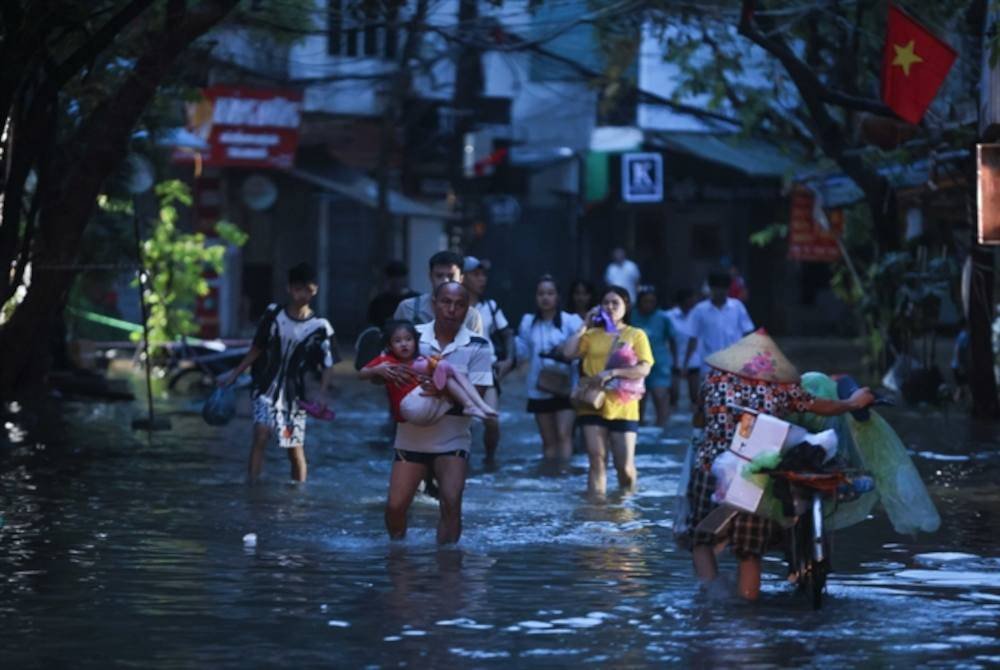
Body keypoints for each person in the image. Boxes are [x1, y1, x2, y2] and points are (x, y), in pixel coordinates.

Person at [681, 330, 873, 601]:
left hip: (710, 470)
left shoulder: (713, 379)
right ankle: (748, 615)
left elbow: (699, 419)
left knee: (700, 538)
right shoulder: (780, 387)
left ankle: (712, 597)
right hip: (758, 475)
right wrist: (853, 403)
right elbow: (823, 407)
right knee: (749, 553)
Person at [368, 281, 493, 544]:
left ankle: (447, 568)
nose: (451, 309)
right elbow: (382, 374)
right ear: (434, 303)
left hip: (453, 437)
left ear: (467, 310)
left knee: (450, 502)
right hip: (411, 436)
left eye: (459, 305)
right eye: (446, 302)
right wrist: (377, 374)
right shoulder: (411, 336)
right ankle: (398, 555)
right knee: (395, 507)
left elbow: (477, 394)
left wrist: (443, 392)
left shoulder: (479, 344)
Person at [221, 263, 337, 483]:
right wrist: (235, 374)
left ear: (315, 289)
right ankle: (253, 486)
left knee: (293, 448)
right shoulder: (274, 314)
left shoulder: (320, 326)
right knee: (261, 434)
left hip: (295, 396)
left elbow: (329, 364)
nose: (302, 294)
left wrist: (322, 392)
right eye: (297, 289)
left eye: (307, 289)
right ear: (289, 289)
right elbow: (257, 348)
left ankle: (298, 494)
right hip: (265, 387)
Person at [562, 286, 652, 495]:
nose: (610, 307)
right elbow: (568, 353)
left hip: (624, 406)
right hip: (592, 402)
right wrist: (584, 324)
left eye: (615, 303)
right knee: (596, 460)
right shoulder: (591, 335)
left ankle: (626, 507)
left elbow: (644, 368)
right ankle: (596, 511)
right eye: (605, 303)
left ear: (626, 307)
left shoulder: (635, 335)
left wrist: (612, 373)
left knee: (625, 467)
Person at [361, 320, 497, 423]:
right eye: (397, 341)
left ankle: (476, 405)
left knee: (447, 372)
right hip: (408, 408)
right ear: (389, 346)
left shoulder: (419, 360)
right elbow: (361, 374)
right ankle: (474, 404)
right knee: (448, 370)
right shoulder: (387, 361)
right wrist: (377, 370)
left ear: (416, 342)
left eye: (408, 339)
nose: (404, 344)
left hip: (423, 409)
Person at [515, 275, 583, 460]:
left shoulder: (571, 321)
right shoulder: (528, 322)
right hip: (539, 388)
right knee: (548, 441)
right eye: (541, 294)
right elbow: (521, 352)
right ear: (536, 297)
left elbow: (582, 350)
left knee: (564, 435)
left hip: (566, 386)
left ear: (558, 296)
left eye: (550, 293)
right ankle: (548, 481)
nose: (545, 298)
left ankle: (563, 476)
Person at [463, 256, 513, 462]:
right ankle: (460, 462)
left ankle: (489, 458)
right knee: (462, 423)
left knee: (491, 420)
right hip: (459, 369)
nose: (482, 279)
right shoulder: (453, 305)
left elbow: (507, 333)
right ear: (463, 277)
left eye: (483, 275)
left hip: (486, 368)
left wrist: (509, 359)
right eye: (476, 275)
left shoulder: (490, 306)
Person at [682, 272, 755, 378]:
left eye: (723, 288)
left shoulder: (737, 307)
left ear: (728, 289)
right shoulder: (700, 310)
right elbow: (693, 337)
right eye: (716, 288)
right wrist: (686, 364)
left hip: (734, 365)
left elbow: (748, 333)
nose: (720, 292)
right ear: (711, 289)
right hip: (709, 366)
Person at [393, 250, 483, 335]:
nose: (445, 281)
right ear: (430, 277)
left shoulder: (471, 316)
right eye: (439, 276)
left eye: (451, 276)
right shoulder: (408, 308)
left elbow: (476, 350)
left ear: (461, 279)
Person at [630, 286, 676, 429]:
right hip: (636, 362)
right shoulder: (631, 315)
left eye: (651, 301)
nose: (648, 305)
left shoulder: (663, 318)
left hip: (659, 361)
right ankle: (639, 423)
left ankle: (662, 424)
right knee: (639, 397)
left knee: (660, 394)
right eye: (645, 301)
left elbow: (672, 339)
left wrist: (675, 362)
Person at [666, 288, 702, 409]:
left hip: (694, 359)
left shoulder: (698, 315)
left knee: (695, 395)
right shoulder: (669, 316)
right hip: (673, 359)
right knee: (673, 394)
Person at [367, 260, 418, 328]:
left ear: (405, 278)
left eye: (399, 278)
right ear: (387, 279)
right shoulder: (378, 302)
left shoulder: (416, 300)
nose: (396, 282)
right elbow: (373, 327)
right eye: (393, 278)